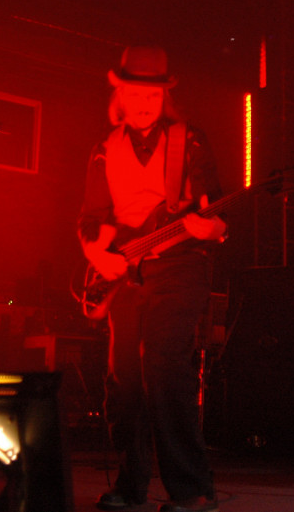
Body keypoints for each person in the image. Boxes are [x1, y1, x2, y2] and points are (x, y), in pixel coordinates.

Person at [78, 46, 225, 512]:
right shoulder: (104, 149)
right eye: (136, 93)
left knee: (164, 366)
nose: (145, 103)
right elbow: (92, 219)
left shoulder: (190, 141)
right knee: (123, 380)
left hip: (180, 266)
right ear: (119, 95)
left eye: (154, 95)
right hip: (127, 274)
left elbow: (216, 212)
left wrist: (209, 227)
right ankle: (130, 485)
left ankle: (193, 491)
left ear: (165, 97)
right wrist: (98, 255)